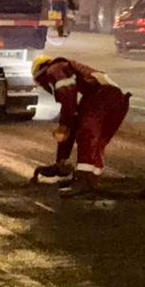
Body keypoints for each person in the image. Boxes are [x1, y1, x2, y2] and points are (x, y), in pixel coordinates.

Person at [30, 56, 130, 197]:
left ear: (40, 72)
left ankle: (83, 179)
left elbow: (67, 98)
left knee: (86, 135)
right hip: (119, 102)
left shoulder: (55, 69)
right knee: (97, 142)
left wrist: (63, 126)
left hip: (103, 97)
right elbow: (72, 118)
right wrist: (61, 161)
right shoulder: (71, 71)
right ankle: (91, 179)